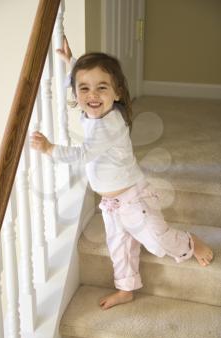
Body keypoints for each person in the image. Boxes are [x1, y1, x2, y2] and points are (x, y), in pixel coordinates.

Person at [30, 36, 213, 310]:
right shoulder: (91, 114)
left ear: (116, 93)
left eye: (102, 88)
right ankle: (126, 288)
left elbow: (83, 155)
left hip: (134, 199)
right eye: (84, 89)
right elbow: (81, 79)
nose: (92, 95)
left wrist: (49, 148)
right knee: (119, 248)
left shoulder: (109, 124)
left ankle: (190, 243)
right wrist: (72, 62)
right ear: (76, 94)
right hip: (112, 205)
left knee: (156, 239)